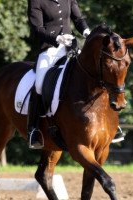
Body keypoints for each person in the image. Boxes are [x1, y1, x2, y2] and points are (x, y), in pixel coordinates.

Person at [27, 0, 90, 149]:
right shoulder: (36, 1)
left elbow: (78, 19)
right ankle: (33, 129)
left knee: (90, 72)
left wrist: (87, 32)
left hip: (70, 48)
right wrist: (56, 38)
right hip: (49, 49)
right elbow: (37, 29)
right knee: (40, 84)